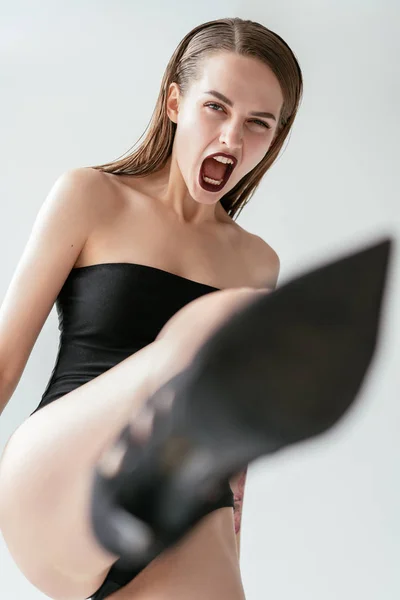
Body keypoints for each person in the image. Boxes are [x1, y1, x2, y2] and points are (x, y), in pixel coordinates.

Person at [0, 16, 390, 600]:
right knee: (207, 333)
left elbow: (233, 452)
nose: (233, 139)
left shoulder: (258, 262)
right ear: (175, 102)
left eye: (258, 124)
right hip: (59, 475)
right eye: (217, 108)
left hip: (181, 499)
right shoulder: (93, 196)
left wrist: (230, 547)